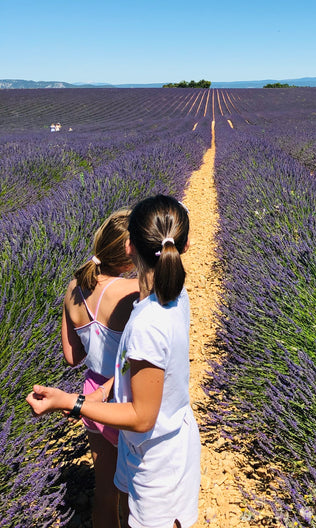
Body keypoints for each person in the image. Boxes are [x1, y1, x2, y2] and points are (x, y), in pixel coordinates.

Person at [27, 195, 201, 528]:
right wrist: (101, 392)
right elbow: (130, 369)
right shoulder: (173, 296)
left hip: (156, 459)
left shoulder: (146, 325)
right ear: (185, 245)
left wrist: (71, 401)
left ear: (129, 248)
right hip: (161, 445)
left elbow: (141, 416)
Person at [61, 208, 138, 528]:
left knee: (105, 488)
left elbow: (71, 356)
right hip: (127, 398)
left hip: (91, 396)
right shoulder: (130, 293)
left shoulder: (74, 286)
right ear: (130, 254)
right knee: (137, 490)